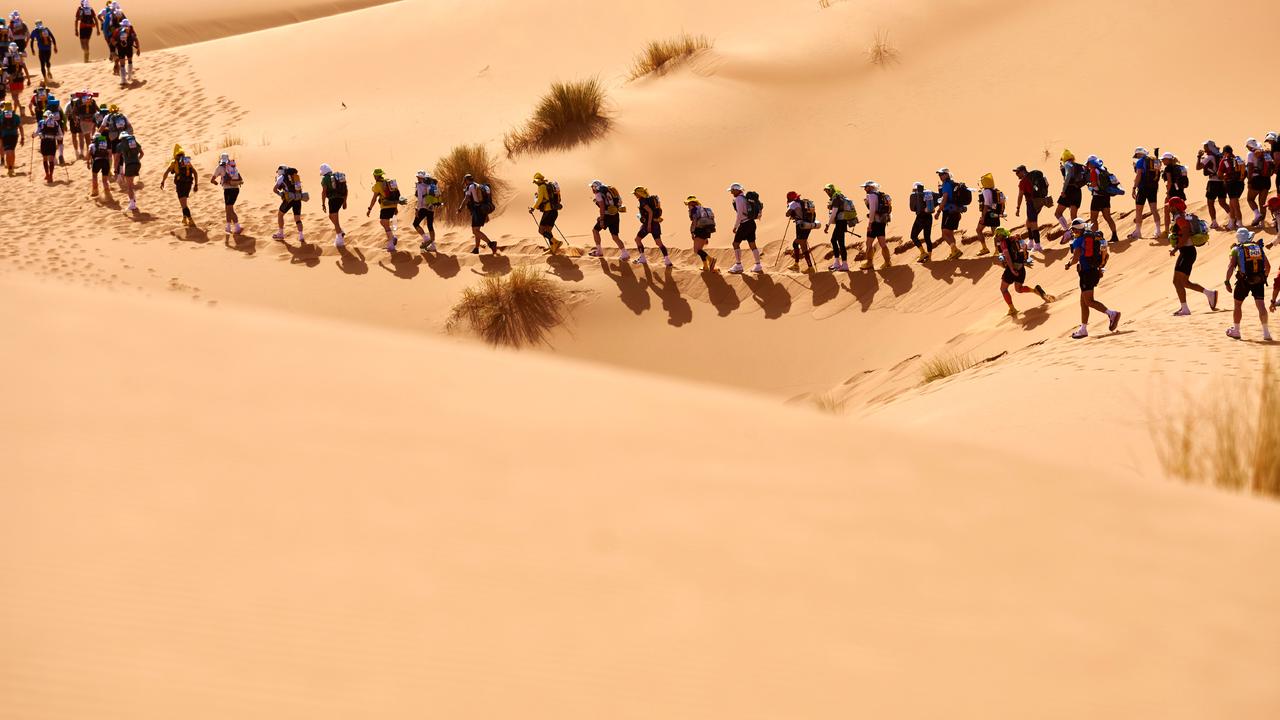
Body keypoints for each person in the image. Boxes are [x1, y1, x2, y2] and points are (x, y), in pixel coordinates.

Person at [1063, 218, 1122, 339]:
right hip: (1093, 271)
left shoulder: (1079, 241)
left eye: (1074, 230)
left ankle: (1112, 314)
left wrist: (1068, 264)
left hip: (1087, 273)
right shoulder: (1092, 237)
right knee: (1083, 302)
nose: (1073, 232)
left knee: (1089, 301)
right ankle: (1083, 329)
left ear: (1078, 229)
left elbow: (1075, 258)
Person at [1165, 196, 1218, 316]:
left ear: (1174, 207)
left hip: (1187, 252)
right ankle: (1209, 294)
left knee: (1179, 282)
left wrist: (1176, 248)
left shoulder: (1179, 218)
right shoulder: (1183, 216)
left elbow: (1186, 233)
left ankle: (1186, 308)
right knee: (1181, 282)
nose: (1169, 208)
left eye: (1170, 206)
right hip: (1187, 252)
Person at [1224, 228, 1272, 341]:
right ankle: (1266, 333)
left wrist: (1227, 281)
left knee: (1237, 305)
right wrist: (1263, 277)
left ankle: (1236, 330)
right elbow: (1268, 266)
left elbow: (1231, 266)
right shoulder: (1258, 247)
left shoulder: (1235, 249)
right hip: (1259, 279)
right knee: (1261, 305)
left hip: (1243, 281)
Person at [994, 227, 1052, 318]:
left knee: (1003, 289)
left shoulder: (1003, 243)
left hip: (1012, 269)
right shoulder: (1015, 239)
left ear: (1001, 235)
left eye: (997, 235)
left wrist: (1012, 269)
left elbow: (1008, 256)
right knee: (1019, 289)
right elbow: (1025, 248)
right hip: (1021, 267)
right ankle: (1035, 290)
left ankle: (1012, 309)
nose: (996, 237)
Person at [726, 183, 763, 274]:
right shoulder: (745, 198)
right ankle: (758, 265)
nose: (731, 193)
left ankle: (738, 265)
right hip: (751, 223)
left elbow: (739, 214)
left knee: (735, 244)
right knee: (752, 244)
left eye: (732, 190)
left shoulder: (738, 199)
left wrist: (735, 226)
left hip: (744, 224)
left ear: (737, 190)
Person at [588, 180, 628, 260]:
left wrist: (602, 219)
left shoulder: (598, 194)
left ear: (595, 187)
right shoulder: (609, 191)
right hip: (615, 214)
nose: (592, 189)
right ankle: (625, 253)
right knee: (615, 236)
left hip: (607, 216)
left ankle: (599, 251)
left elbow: (602, 207)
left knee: (595, 230)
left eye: (592, 187)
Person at [459, 173, 498, 254]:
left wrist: (460, 208)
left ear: (466, 180)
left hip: (477, 210)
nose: (464, 182)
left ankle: (491, 243)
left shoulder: (470, 187)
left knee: (475, 231)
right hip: (482, 209)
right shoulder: (478, 186)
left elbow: (466, 199)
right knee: (477, 230)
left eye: (465, 181)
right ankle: (476, 249)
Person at [1128, 147, 1163, 239]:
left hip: (1143, 187)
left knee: (1139, 210)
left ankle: (1138, 232)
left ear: (1139, 154)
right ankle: (1158, 231)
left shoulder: (1140, 162)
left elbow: (1138, 175)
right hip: (1153, 187)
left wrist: (1134, 187)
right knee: (1154, 209)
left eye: (1137, 155)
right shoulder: (1155, 161)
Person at [160, 145, 199, 226]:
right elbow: (195, 172)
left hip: (180, 184)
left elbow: (166, 172)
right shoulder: (187, 161)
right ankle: (184, 219)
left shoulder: (174, 162)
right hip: (188, 184)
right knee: (184, 202)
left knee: (183, 204)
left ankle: (190, 220)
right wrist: (196, 184)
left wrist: (163, 181)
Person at [1013, 165, 1048, 253]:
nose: (1016, 174)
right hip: (1040, 201)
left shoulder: (1023, 182)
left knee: (1033, 223)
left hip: (1031, 203)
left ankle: (1037, 245)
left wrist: (1018, 208)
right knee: (1028, 221)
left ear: (1023, 171)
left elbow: (1020, 195)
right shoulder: (1034, 177)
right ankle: (1031, 241)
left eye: (1017, 172)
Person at [633, 186, 670, 266]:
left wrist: (649, 225)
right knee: (659, 243)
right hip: (655, 223)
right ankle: (667, 260)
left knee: (637, 239)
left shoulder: (642, 201)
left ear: (639, 194)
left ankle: (642, 258)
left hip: (649, 224)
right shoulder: (649, 199)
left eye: (636, 193)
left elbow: (650, 212)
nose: (635, 195)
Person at [366, 168, 402, 251]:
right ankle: (392, 239)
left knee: (384, 223)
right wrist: (395, 207)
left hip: (385, 206)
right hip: (393, 205)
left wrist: (369, 209)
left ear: (375, 176)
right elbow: (395, 195)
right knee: (384, 222)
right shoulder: (388, 182)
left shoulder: (378, 185)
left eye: (374, 175)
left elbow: (374, 198)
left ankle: (391, 243)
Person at [1085, 155, 1120, 241]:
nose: (1088, 165)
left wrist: (1089, 185)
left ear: (1092, 163)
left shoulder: (1093, 171)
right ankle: (1114, 235)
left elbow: (1094, 184)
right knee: (1108, 217)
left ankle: (1097, 238)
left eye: (1088, 163)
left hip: (1097, 197)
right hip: (1106, 196)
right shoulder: (1104, 169)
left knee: (1093, 219)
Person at [932, 168, 964, 260]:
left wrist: (938, 211)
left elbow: (944, 199)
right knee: (950, 233)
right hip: (956, 211)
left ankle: (955, 250)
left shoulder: (946, 184)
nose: (940, 176)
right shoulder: (952, 183)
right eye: (939, 175)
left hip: (949, 212)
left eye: (942, 174)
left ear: (946, 174)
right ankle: (953, 252)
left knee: (945, 234)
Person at [1197, 140, 1230, 230]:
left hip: (1213, 182)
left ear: (1209, 147)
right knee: (1223, 202)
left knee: (1210, 203)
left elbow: (1198, 167)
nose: (1204, 148)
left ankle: (1214, 222)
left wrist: (1199, 157)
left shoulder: (1210, 157)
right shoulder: (1220, 155)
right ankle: (1232, 218)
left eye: (1205, 146)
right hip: (1222, 182)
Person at [823, 183, 856, 270]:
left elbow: (833, 213)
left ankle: (844, 264)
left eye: (828, 190)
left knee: (837, 242)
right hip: (841, 222)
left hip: (841, 222)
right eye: (826, 191)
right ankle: (838, 263)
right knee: (837, 241)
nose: (827, 192)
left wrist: (827, 225)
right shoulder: (838, 196)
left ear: (832, 190)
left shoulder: (836, 198)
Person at [209, 153, 243, 234]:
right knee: (228, 208)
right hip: (236, 189)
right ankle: (228, 226)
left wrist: (215, 182)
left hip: (228, 190)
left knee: (229, 208)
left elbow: (212, 179)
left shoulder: (219, 167)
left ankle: (237, 226)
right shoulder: (233, 166)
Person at [1054, 149, 1087, 232]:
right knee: (1073, 216)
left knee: (1058, 213)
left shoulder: (1068, 165)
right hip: (1077, 191)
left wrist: (1063, 191)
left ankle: (1067, 231)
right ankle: (1081, 233)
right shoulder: (1079, 166)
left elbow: (1067, 178)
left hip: (1069, 190)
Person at [862, 180, 892, 269]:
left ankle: (869, 263)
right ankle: (887, 262)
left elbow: (872, 211)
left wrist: (870, 224)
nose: (864, 189)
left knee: (868, 243)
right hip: (882, 222)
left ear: (870, 187)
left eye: (866, 187)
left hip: (875, 222)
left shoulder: (871, 196)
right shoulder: (880, 195)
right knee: (882, 243)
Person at [96, 102, 130, 180]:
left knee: (115, 156)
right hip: (123, 137)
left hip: (114, 138)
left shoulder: (107, 117)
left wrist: (97, 136)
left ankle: (117, 174)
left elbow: (101, 128)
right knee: (122, 155)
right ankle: (121, 172)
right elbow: (129, 126)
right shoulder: (123, 116)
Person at [785, 190, 817, 272]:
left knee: (796, 244)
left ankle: (808, 267)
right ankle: (800, 265)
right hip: (808, 225)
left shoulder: (793, 203)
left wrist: (791, 210)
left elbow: (787, 214)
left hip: (801, 226)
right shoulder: (803, 203)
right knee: (803, 245)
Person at [272, 165, 306, 243]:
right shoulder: (294, 176)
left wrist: (280, 194)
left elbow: (274, 189)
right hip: (298, 198)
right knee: (297, 218)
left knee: (280, 215)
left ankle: (280, 233)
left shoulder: (282, 177)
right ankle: (301, 236)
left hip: (289, 199)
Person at [1245, 138, 1273, 229]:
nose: (1246, 147)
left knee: (1250, 199)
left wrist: (1249, 181)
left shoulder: (1250, 154)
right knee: (1262, 202)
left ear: (1250, 146)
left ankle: (1257, 214)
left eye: (1247, 145)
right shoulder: (1265, 153)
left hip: (1256, 179)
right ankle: (1262, 224)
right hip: (1266, 179)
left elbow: (1250, 168)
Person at [529, 172, 559, 253]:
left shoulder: (541, 187)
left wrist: (533, 208)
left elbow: (539, 200)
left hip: (548, 211)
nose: (535, 183)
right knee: (548, 231)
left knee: (541, 231)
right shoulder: (547, 185)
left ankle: (555, 242)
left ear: (538, 181)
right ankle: (553, 248)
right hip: (554, 211)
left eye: (536, 182)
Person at [319, 164, 348, 247]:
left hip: (333, 200)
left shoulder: (325, 179)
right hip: (340, 199)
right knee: (331, 216)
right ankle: (341, 231)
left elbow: (324, 192)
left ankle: (340, 240)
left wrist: (323, 204)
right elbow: (346, 190)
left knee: (335, 219)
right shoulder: (338, 177)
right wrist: (345, 201)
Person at [1219, 145, 1247, 231]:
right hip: (1240, 184)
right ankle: (1231, 223)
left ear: (1225, 153)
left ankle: (1240, 223)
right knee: (1232, 202)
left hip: (1231, 184)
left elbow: (1219, 174)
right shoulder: (1239, 159)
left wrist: (1225, 179)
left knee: (1235, 204)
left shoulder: (1224, 160)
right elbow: (1244, 172)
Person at [1160, 152, 1189, 233]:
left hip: (1172, 193)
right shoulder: (1180, 167)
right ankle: (1182, 229)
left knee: (1167, 211)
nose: (1162, 161)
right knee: (1180, 212)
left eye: (1163, 159)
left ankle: (1167, 231)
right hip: (1181, 193)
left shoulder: (1168, 168)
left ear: (1168, 160)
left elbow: (1169, 182)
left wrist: (1168, 193)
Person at [686, 195, 717, 271]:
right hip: (707, 230)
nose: (687, 205)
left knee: (696, 250)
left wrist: (692, 232)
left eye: (688, 203)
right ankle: (705, 266)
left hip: (699, 230)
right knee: (700, 249)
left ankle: (711, 260)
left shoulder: (694, 210)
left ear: (692, 203)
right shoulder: (702, 209)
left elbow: (694, 221)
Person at [907, 181, 936, 262]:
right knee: (927, 237)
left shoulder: (913, 195)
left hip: (920, 217)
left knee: (913, 236)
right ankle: (929, 257)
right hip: (929, 217)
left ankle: (923, 252)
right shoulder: (928, 193)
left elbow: (912, 208)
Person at [972, 173, 999, 256]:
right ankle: (997, 250)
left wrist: (983, 216)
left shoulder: (986, 191)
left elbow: (986, 204)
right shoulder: (995, 190)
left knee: (978, 230)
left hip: (988, 214)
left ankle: (985, 248)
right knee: (995, 232)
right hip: (995, 213)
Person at [414, 170, 442, 251]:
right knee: (430, 225)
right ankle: (433, 245)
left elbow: (419, 199)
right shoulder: (431, 184)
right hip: (431, 207)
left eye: (418, 177)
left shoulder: (419, 186)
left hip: (423, 207)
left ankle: (426, 238)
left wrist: (417, 209)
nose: (417, 178)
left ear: (420, 177)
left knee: (415, 224)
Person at [115, 129, 142, 211]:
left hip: (129, 165)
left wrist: (116, 170)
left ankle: (132, 204)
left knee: (129, 186)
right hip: (137, 164)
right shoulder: (134, 142)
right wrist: (137, 160)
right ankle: (133, 200)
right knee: (131, 182)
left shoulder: (120, 145)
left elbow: (116, 159)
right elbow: (142, 153)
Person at [66, 89, 97, 160]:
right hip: (75, 121)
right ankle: (78, 152)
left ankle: (82, 152)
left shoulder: (79, 103)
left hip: (80, 121)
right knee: (78, 137)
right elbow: (66, 114)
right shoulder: (72, 104)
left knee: (80, 136)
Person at [3, 43, 31, 116]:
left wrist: (7, 78)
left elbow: (4, 68)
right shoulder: (20, 57)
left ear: (10, 49)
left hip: (12, 79)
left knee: (14, 96)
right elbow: (25, 68)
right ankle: (15, 111)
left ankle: (21, 107)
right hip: (20, 79)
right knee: (16, 96)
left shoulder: (7, 57)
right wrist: (28, 79)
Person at [35, 109, 61, 183]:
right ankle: (50, 175)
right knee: (50, 159)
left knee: (45, 158)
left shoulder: (41, 123)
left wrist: (34, 135)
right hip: (52, 142)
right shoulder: (56, 124)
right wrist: (55, 137)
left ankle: (48, 174)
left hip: (44, 142)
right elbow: (60, 135)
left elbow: (37, 132)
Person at [0, 99, 24, 176]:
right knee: (12, 151)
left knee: (7, 152)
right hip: (14, 136)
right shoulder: (16, 116)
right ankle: (12, 167)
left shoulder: (1, 116)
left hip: (4, 136)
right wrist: (22, 137)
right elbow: (20, 127)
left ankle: (9, 168)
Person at [113, 18, 139, 86]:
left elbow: (112, 40)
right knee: (130, 61)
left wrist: (116, 45)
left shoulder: (117, 30)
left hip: (121, 49)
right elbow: (136, 39)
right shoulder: (131, 30)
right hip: (129, 48)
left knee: (122, 64)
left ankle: (123, 80)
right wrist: (138, 48)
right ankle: (129, 76)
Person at [86, 130, 111, 196]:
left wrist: (88, 163)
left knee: (94, 176)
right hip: (106, 162)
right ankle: (107, 194)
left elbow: (89, 154)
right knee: (105, 180)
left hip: (97, 161)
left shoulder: (92, 145)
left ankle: (95, 191)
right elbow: (109, 154)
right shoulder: (105, 144)